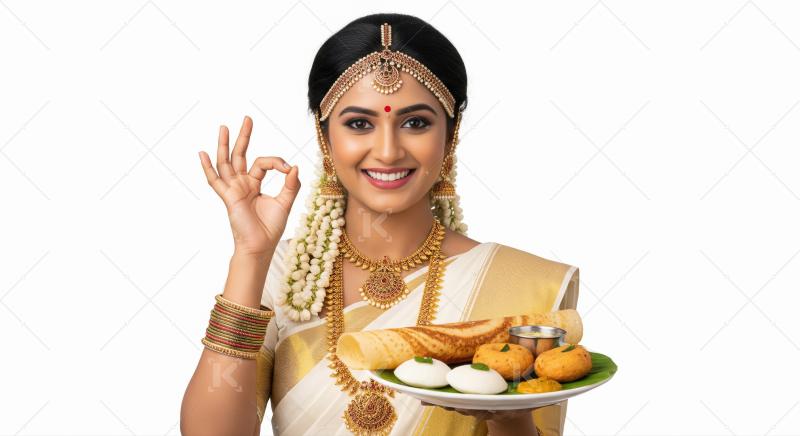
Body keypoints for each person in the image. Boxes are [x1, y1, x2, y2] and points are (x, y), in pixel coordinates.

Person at [181, 13, 580, 436]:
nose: (387, 151)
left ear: (451, 134)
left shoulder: (524, 287)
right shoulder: (286, 275)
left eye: (415, 123)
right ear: (325, 136)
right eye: (359, 124)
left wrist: (511, 415)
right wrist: (250, 256)